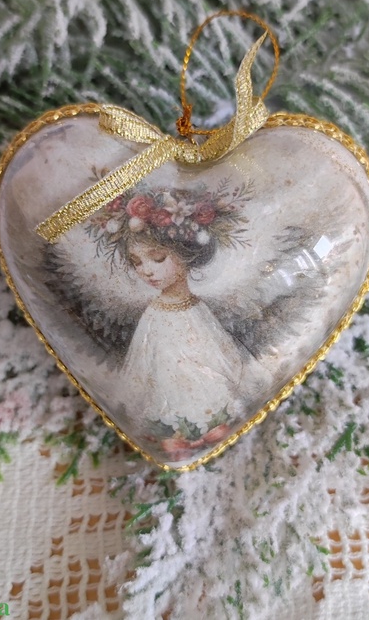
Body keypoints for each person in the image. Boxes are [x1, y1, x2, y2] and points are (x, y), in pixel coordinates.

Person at [88, 182, 272, 460]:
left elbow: (223, 359)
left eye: (157, 258)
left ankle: (204, 428)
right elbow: (142, 368)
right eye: (137, 262)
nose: (146, 271)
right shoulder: (153, 316)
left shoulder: (199, 311)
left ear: (186, 256)